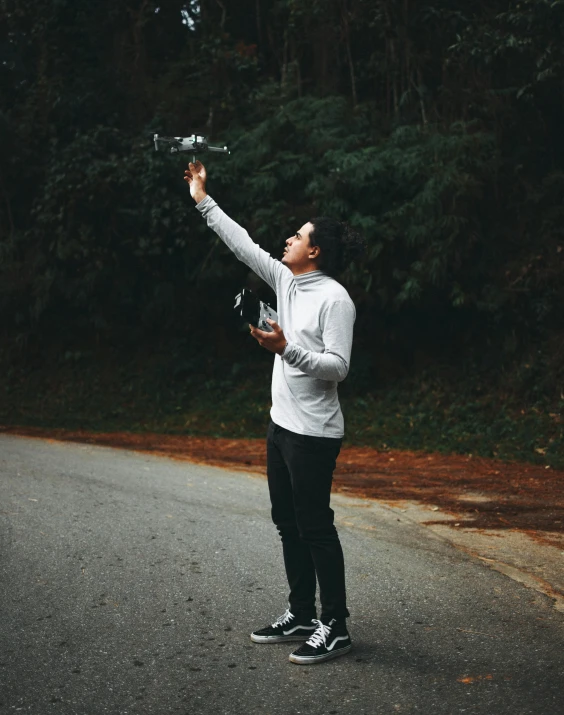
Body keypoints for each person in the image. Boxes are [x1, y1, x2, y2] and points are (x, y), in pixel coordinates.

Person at [184, 160, 364, 665]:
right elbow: (242, 243)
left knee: (315, 527)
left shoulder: (336, 300)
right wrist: (203, 198)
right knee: (286, 521)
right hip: (280, 426)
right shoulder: (286, 281)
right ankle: (303, 613)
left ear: (317, 251)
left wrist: (286, 349)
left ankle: (336, 626)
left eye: (300, 235)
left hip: (314, 434)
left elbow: (339, 367)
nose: (289, 238)